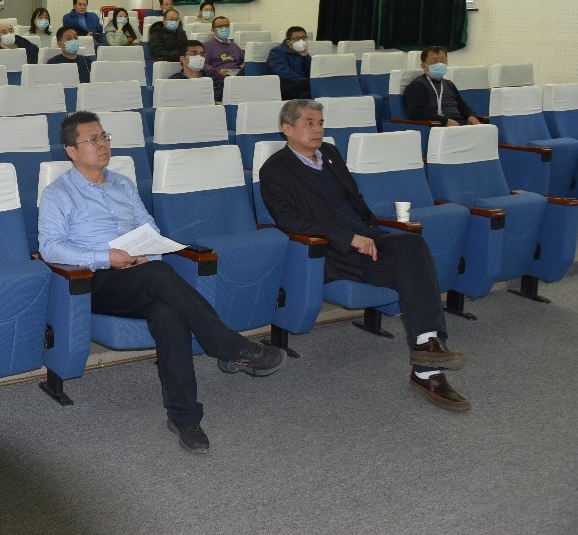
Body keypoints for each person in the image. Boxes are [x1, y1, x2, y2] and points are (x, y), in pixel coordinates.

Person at [39, 111, 285, 454]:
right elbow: (49, 248)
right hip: (93, 281)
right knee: (159, 274)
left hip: (140, 273)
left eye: (104, 137)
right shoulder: (58, 194)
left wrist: (148, 251)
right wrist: (106, 256)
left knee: (168, 315)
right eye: (92, 140)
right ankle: (228, 346)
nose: (103, 144)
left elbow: (148, 226)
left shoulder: (123, 184)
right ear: (71, 151)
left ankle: (185, 417)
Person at [259, 100, 470, 412]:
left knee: (413, 246)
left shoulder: (330, 154)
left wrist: (368, 230)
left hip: (367, 238)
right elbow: (290, 221)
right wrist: (349, 238)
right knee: (413, 271)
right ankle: (428, 372)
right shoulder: (275, 170)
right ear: (287, 129)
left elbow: (353, 198)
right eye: (309, 123)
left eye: (320, 123)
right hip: (329, 251)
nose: (318, 129)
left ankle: (428, 345)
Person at [403, 46, 483, 126]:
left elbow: (462, 106)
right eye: (435, 61)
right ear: (424, 66)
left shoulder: (449, 84)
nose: (440, 64)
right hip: (439, 126)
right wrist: (445, 121)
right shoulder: (417, 85)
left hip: (459, 125)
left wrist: (471, 116)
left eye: (443, 60)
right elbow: (416, 113)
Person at [267, 26, 312, 100]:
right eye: (297, 38)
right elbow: (283, 73)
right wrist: (305, 81)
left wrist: (305, 56)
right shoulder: (277, 52)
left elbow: (311, 71)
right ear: (288, 42)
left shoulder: (302, 52)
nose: (301, 41)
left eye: (303, 38)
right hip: (284, 86)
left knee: (309, 93)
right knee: (312, 84)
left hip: (301, 85)